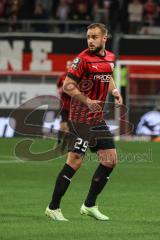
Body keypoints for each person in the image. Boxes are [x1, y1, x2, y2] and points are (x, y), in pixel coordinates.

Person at [45, 23, 123, 221]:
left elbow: (108, 76)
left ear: (104, 38)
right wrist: (87, 101)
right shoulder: (82, 60)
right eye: (88, 36)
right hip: (80, 118)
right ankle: (53, 208)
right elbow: (67, 86)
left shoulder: (111, 57)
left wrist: (114, 91)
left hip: (97, 119)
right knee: (75, 161)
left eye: (95, 37)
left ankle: (89, 205)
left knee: (110, 160)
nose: (90, 40)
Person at [56, 60, 72, 144]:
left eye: (71, 65)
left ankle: (66, 144)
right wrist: (61, 90)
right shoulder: (62, 77)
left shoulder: (77, 78)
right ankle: (59, 139)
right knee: (63, 126)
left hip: (73, 106)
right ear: (66, 66)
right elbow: (58, 89)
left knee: (68, 128)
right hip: (64, 105)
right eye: (68, 65)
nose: (69, 67)